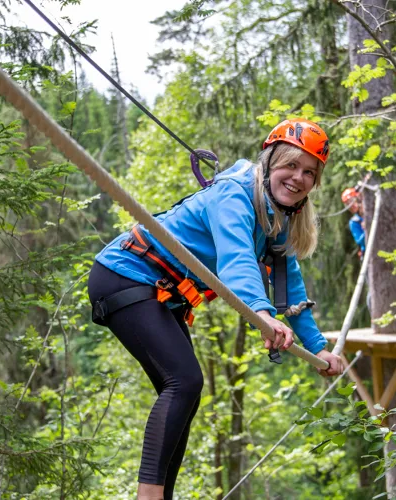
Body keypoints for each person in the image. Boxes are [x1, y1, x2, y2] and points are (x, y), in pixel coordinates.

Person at [87, 118, 347, 500]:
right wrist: (260, 314)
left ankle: (161, 494)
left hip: (162, 291)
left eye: (309, 172)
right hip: (127, 274)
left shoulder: (277, 217)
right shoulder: (235, 194)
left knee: (185, 394)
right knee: (185, 381)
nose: (298, 177)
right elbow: (236, 259)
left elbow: (289, 283)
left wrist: (318, 346)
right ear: (270, 161)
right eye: (290, 165)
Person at [342, 187, 365, 259]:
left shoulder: (372, 210)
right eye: (348, 204)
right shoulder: (354, 222)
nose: (351, 205)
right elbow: (360, 241)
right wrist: (366, 229)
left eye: (352, 201)